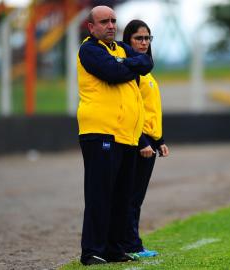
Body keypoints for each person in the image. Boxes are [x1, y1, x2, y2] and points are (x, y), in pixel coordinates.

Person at [77, 6, 154, 266]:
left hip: (126, 136)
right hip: (100, 133)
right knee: (100, 194)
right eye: (104, 21)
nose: (110, 25)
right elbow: (112, 73)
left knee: (121, 196)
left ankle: (114, 248)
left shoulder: (120, 49)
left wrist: (123, 64)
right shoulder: (89, 49)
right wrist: (125, 67)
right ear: (92, 27)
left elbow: (147, 62)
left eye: (113, 20)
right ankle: (92, 252)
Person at [121, 19, 170, 257]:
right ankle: (131, 245)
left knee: (135, 198)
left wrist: (159, 140)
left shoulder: (145, 72)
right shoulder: (132, 71)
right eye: (138, 38)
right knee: (131, 197)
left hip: (150, 142)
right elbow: (131, 110)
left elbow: (150, 110)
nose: (144, 42)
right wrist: (143, 142)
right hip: (138, 143)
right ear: (128, 40)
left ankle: (131, 244)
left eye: (147, 38)